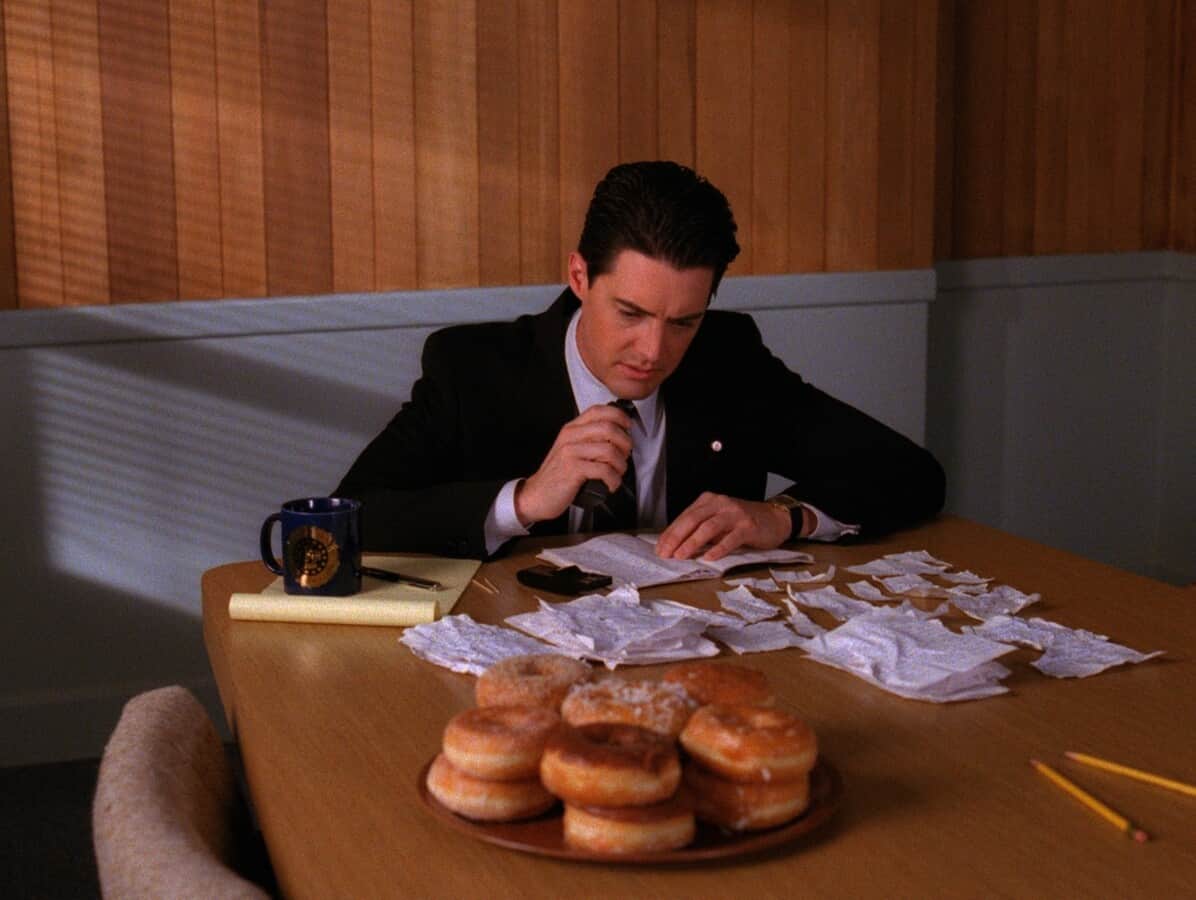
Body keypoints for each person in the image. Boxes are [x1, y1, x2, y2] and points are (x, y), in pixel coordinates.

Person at [336, 161, 944, 561]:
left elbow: (912, 473)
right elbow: (346, 520)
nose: (655, 352)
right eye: (630, 313)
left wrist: (784, 518)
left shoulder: (728, 358)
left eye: (683, 321)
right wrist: (522, 500)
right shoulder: (472, 369)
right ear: (579, 275)